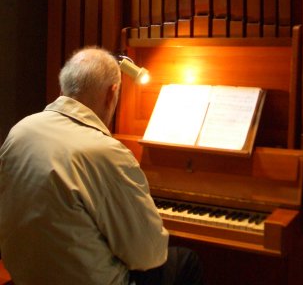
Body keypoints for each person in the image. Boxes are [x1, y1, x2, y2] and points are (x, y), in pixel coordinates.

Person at [0, 46, 203, 285]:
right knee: (187, 260)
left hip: (27, 276)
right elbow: (149, 254)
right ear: (111, 93)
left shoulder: (21, 130)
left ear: (65, 87)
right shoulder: (106, 152)